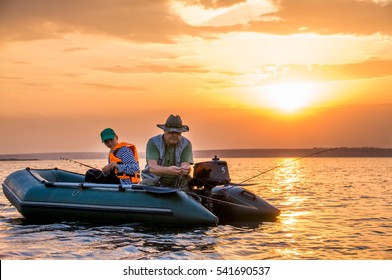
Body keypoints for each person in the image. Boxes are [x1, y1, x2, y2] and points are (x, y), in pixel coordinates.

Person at [141, 115, 193, 189]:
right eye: (171, 132)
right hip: (153, 180)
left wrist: (186, 169)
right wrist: (168, 170)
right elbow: (152, 168)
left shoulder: (186, 144)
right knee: (146, 183)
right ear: (164, 130)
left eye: (178, 133)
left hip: (177, 181)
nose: (174, 135)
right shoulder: (153, 142)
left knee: (188, 180)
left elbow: (186, 166)